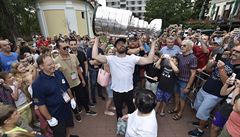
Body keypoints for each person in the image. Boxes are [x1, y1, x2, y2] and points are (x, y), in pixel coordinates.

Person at [92, 36, 156, 119]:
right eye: (119, 44)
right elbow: (94, 56)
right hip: (116, 91)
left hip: (129, 90)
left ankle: (131, 125)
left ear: (126, 46)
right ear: (115, 47)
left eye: (123, 43)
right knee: (119, 111)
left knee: (132, 110)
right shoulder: (111, 59)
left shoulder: (132, 58)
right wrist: (96, 40)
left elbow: (149, 60)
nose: (121, 45)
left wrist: (153, 44)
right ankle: (120, 125)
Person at [32, 54, 77, 137]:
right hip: (55, 115)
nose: (53, 66)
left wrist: (72, 99)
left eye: (53, 63)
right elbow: (40, 104)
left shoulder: (59, 73)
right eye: (49, 65)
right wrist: (49, 118)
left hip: (67, 109)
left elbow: (67, 87)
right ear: (41, 66)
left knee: (69, 126)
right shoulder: (37, 84)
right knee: (60, 134)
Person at [54, 39, 96, 122]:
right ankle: (76, 113)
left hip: (77, 82)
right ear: (58, 49)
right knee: (71, 100)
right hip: (67, 86)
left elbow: (78, 69)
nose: (67, 49)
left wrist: (83, 79)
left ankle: (87, 110)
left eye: (67, 47)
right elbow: (57, 76)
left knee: (83, 97)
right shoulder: (56, 61)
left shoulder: (73, 56)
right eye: (64, 48)